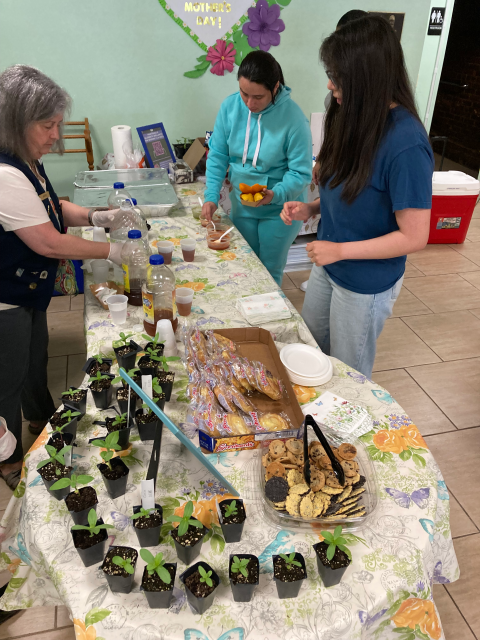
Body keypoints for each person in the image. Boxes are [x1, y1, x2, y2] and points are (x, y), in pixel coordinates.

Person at [0, 65, 133, 490]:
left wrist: (95, 216)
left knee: (35, 354)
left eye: (58, 123)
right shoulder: (4, 172)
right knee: (8, 375)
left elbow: (51, 205)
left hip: (26, 288)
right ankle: (8, 458)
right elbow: (48, 242)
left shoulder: (26, 159)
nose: (56, 134)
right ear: (16, 122)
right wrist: (113, 250)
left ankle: (40, 418)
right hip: (6, 292)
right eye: (48, 125)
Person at [281, 15, 433, 378]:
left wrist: (340, 251)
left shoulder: (406, 143)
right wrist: (312, 208)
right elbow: (352, 193)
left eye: (339, 76)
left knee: (348, 373)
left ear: (368, 78)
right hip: (330, 263)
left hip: (365, 281)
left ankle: (338, 433)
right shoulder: (352, 114)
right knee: (311, 349)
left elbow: (414, 236)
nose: (330, 84)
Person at [202, 50, 312, 286]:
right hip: (244, 206)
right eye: (244, 93)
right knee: (244, 267)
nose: (250, 104)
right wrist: (211, 197)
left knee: (268, 272)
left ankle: (268, 321)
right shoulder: (230, 107)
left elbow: (301, 173)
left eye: (258, 97)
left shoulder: (294, 119)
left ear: (275, 88)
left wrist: (275, 194)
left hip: (280, 210)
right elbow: (218, 155)